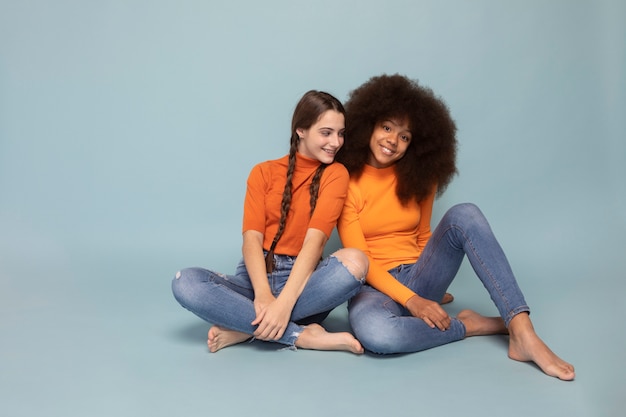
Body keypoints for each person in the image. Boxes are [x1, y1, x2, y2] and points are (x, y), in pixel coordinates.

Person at [335, 74, 575, 380]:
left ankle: (522, 331)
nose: (392, 141)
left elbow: (423, 236)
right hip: (372, 286)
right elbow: (362, 262)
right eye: (386, 127)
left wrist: (431, 283)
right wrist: (414, 302)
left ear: (415, 144)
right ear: (368, 124)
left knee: (465, 213)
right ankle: (471, 325)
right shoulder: (344, 181)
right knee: (380, 336)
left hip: (418, 276)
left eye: (405, 136)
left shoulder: (419, 177)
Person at [172, 90, 368, 354]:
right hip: (255, 278)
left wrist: (283, 304)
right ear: (301, 130)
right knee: (185, 281)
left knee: (357, 262)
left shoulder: (336, 174)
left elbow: (315, 240)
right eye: (326, 132)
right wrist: (263, 295)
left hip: (302, 282)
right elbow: (251, 239)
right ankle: (299, 335)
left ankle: (245, 328)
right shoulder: (262, 172)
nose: (336, 142)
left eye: (340, 133)